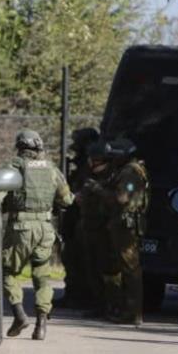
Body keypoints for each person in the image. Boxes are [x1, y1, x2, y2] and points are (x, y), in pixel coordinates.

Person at [1, 129, 74, 340]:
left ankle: (19, 315)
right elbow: (67, 200)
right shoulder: (51, 169)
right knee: (42, 276)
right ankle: (41, 325)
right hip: (46, 228)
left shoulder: (14, 167)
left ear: (20, 147)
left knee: (8, 272)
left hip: (20, 228)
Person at [99, 138, 150, 325]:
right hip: (124, 224)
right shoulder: (132, 170)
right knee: (124, 268)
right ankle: (126, 310)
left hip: (126, 226)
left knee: (130, 269)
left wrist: (99, 190)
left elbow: (122, 198)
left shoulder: (130, 172)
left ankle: (133, 312)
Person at [60, 127, 100, 308]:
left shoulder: (93, 165)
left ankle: (85, 297)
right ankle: (73, 294)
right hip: (75, 214)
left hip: (86, 216)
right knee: (71, 256)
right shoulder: (81, 164)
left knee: (83, 259)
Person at [75, 140, 115, 318]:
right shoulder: (90, 176)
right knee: (92, 268)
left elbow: (117, 200)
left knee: (105, 268)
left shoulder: (112, 177)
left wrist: (97, 189)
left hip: (103, 228)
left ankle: (111, 305)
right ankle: (100, 304)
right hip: (89, 225)